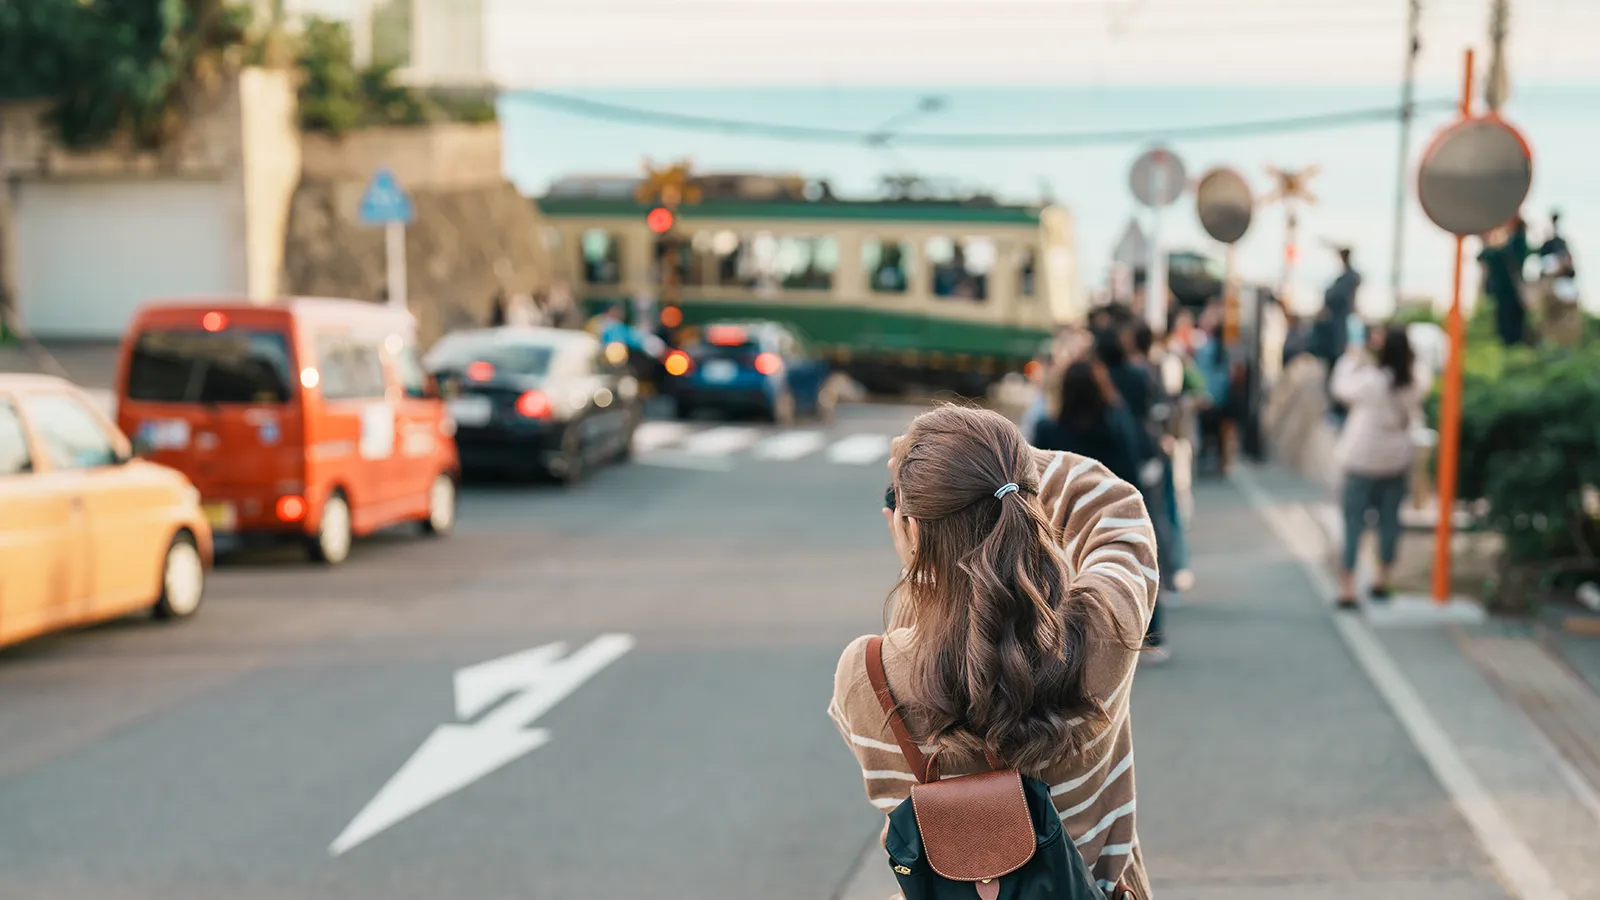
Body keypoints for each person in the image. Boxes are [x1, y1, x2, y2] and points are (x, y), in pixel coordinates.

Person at [830, 406, 1158, 896]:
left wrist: (926, 553)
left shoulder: (868, 674)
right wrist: (1001, 464)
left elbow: (930, 634)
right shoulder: (1102, 630)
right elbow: (1115, 507)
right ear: (1024, 503)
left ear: (911, 531)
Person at [1032, 361, 1168, 663]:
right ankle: (1145, 637)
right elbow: (1132, 468)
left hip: (1059, 522)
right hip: (1107, 516)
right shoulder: (1113, 423)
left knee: (1062, 585)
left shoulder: (1048, 428)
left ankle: (1061, 645)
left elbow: (1035, 476)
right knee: (1128, 566)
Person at [1329, 324, 1431, 609]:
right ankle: (1381, 580)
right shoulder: (1415, 381)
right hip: (1397, 460)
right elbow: (1422, 373)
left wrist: (1353, 355)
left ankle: (1348, 588)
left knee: (1353, 524)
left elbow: (1339, 387)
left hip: (1361, 459)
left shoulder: (1371, 381)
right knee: (1389, 523)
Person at [1479, 216, 1530, 347]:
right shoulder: (1516, 242)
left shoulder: (1515, 243)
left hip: (1508, 292)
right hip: (1508, 292)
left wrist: (1486, 242)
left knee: (1509, 330)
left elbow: (1488, 256)